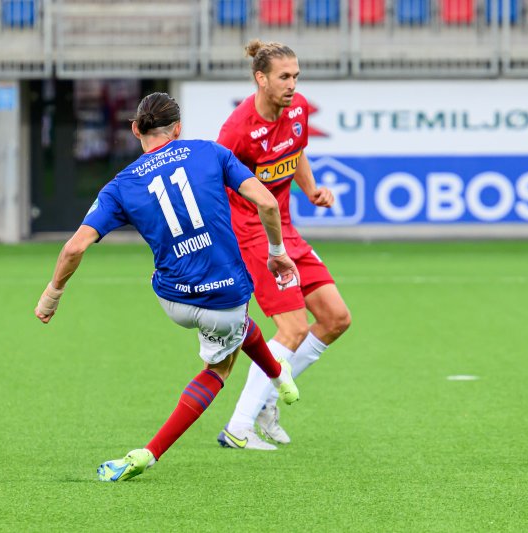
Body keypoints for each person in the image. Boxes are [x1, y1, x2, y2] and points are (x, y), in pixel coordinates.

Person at [34, 92, 301, 481]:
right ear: (178, 128)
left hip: (172, 299)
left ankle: (278, 375)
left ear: (135, 129)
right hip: (224, 297)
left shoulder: (121, 184)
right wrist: (277, 252)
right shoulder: (211, 153)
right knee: (221, 364)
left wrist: (51, 296)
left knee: (231, 320)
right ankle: (148, 453)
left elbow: (75, 246)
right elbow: (269, 204)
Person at [215, 40, 352, 451]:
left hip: (285, 229)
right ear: (261, 78)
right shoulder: (236, 130)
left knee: (335, 318)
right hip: (252, 235)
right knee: (292, 328)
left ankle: (265, 402)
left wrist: (310, 191)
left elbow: (297, 151)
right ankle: (238, 427)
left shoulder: (297, 109)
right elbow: (212, 185)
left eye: (296, 76)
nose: (293, 84)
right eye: (284, 77)